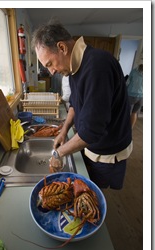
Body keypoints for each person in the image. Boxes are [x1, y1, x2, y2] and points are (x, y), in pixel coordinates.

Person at [31, 21, 132, 190]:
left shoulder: (97, 66)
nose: (51, 72)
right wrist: (64, 130)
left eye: (49, 64)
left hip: (108, 152)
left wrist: (58, 153)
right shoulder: (73, 70)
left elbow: (92, 131)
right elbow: (75, 105)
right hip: (93, 146)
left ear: (62, 47)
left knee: (95, 193)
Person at [126, 62, 143, 128]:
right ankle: (130, 129)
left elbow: (127, 82)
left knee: (127, 113)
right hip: (141, 97)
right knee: (134, 113)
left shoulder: (134, 71)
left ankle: (124, 129)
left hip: (131, 95)